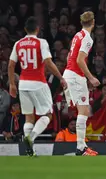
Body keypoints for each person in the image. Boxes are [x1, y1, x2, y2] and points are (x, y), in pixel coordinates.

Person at [8, 16, 67, 156]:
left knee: (29, 117)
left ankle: (30, 151)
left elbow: (11, 65)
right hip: (38, 82)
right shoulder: (41, 42)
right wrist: (60, 77)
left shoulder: (18, 43)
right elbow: (48, 62)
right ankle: (31, 137)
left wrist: (12, 84)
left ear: (25, 29)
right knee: (48, 114)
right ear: (38, 29)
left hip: (22, 84)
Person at [63, 11, 100, 156]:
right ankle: (81, 147)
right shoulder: (87, 38)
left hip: (70, 74)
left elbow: (69, 56)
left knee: (81, 110)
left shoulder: (77, 35)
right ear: (93, 22)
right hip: (75, 76)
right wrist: (90, 77)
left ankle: (82, 146)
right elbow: (79, 60)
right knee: (83, 111)